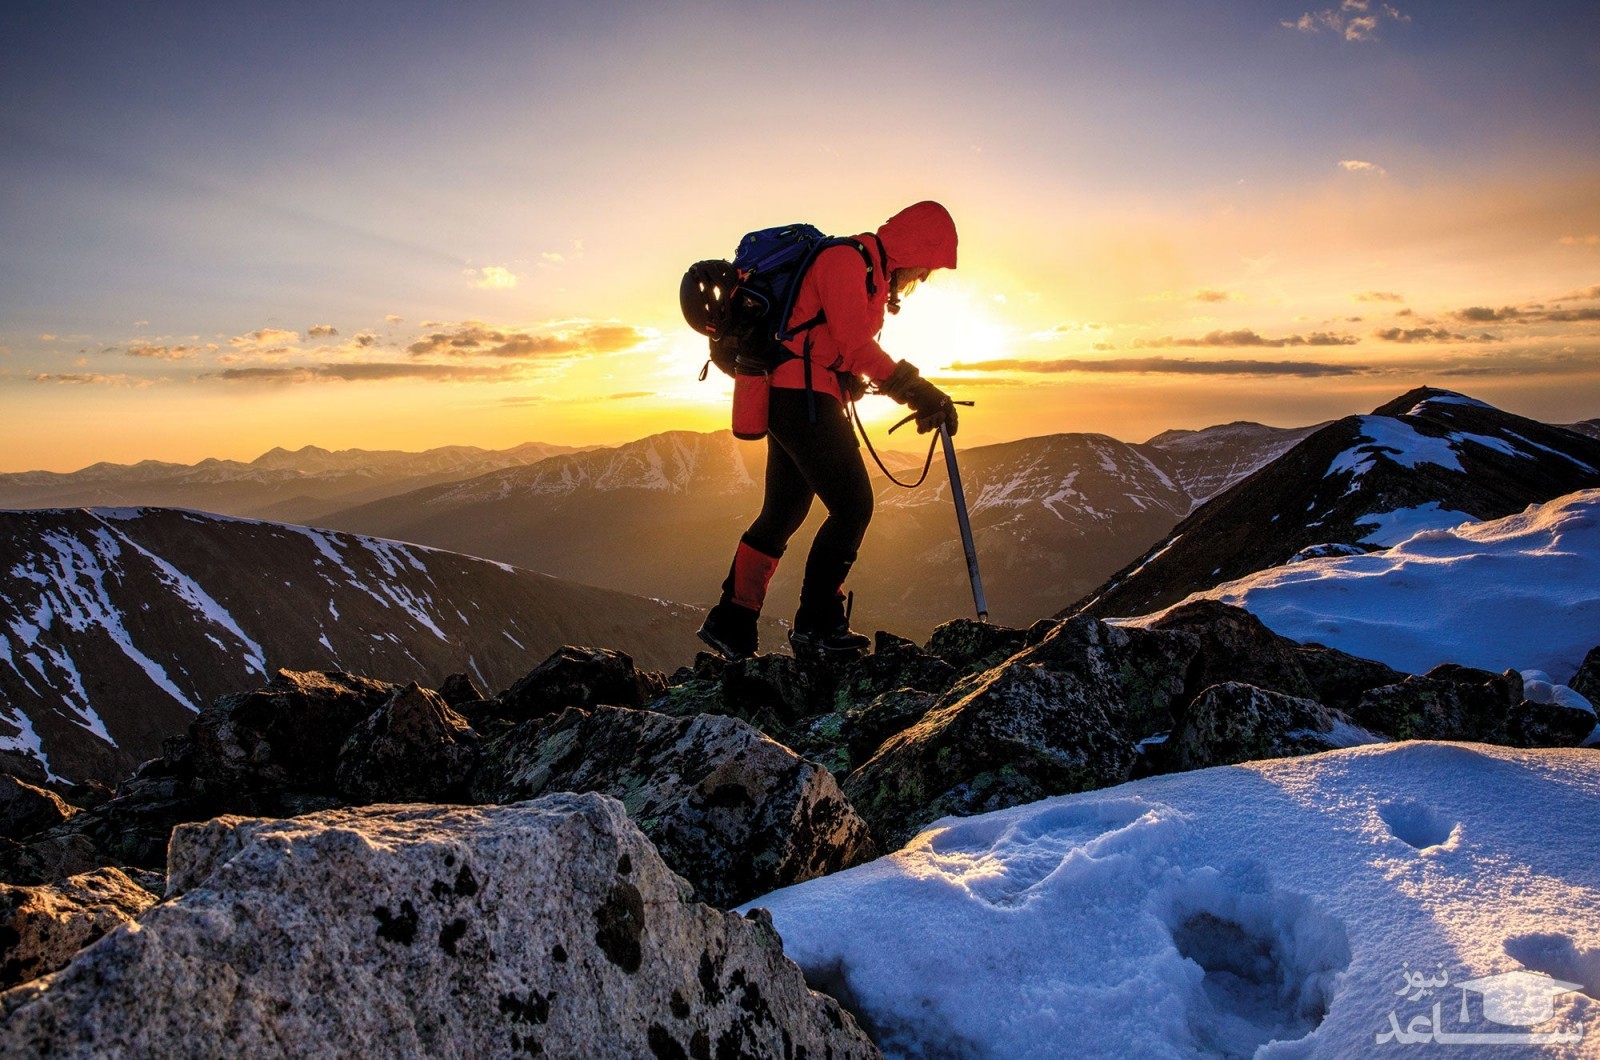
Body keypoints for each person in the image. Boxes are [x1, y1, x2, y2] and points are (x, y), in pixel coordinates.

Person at [697, 200, 960, 660]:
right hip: (799, 400)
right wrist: (918, 392)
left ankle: (732, 623)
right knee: (853, 506)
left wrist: (845, 378)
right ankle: (817, 626)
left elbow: (828, 342)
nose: (922, 277)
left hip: (793, 395)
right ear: (916, 247)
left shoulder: (869, 273)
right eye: (926, 266)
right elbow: (856, 345)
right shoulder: (845, 260)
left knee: (783, 512)